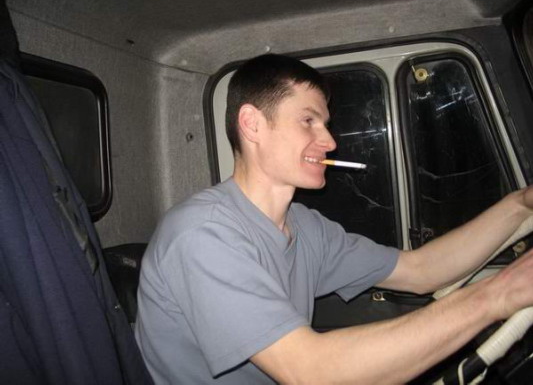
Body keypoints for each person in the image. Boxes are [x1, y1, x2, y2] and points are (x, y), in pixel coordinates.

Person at [135, 53, 533, 384]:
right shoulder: (203, 234)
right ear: (252, 124)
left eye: (325, 124)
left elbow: (421, 271)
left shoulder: (305, 226)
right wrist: (497, 295)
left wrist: (521, 205)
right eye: (308, 121)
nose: (329, 141)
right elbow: (310, 372)